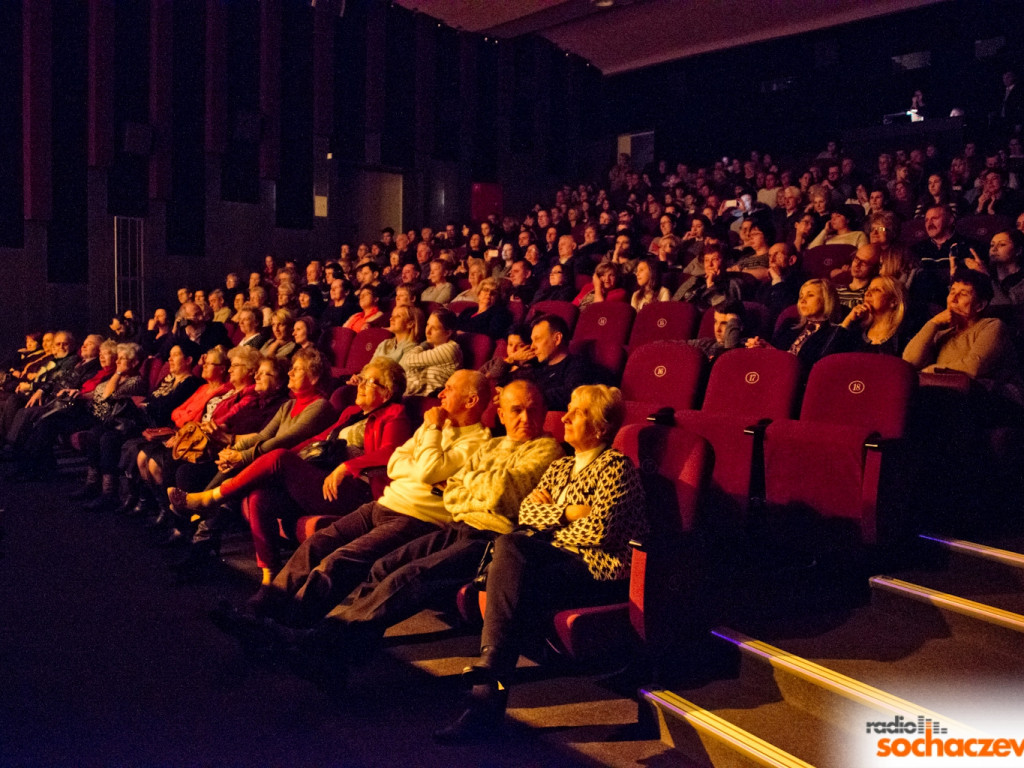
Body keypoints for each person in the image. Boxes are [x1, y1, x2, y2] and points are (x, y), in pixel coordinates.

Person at [217, 380, 564, 696]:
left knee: (405, 576)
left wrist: (462, 485)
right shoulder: (497, 445)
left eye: (533, 410)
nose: (525, 418)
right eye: (516, 410)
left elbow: (495, 492)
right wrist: (463, 486)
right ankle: (328, 657)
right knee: (379, 566)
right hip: (453, 520)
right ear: (501, 413)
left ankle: (306, 641)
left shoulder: (542, 449)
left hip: (487, 534)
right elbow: (421, 474)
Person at [434, 384, 647, 742]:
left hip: (595, 570)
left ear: (599, 427)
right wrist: (567, 513)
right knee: (511, 548)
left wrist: (551, 520)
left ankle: (487, 685)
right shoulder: (561, 466)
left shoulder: (616, 467)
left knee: (511, 558)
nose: (563, 417)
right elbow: (526, 511)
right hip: (558, 562)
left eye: (576, 412)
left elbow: (598, 531)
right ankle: (487, 689)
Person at [208, 369, 492, 620]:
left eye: (450, 388)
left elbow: (427, 470)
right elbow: (396, 463)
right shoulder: (433, 430)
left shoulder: (477, 441)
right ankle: (259, 608)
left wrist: (430, 433)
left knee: (341, 561)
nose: (441, 394)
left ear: (471, 401)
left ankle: (287, 623)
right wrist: (421, 466)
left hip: (417, 518)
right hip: (385, 502)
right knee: (316, 544)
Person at [173, 358, 414, 580]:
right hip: (323, 479)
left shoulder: (396, 414)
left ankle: (211, 498)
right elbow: (317, 441)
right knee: (260, 497)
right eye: (359, 378)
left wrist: (346, 467)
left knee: (278, 456)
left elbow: (391, 454)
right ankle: (270, 576)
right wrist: (289, 458)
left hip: (354, 491)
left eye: (367, 381)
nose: (359, 384)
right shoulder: (351, 413)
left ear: (387, 391)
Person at [903, 269, 1024, 415]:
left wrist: (931, 371)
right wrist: (933, 323)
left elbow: (973, 368)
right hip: (952, 397)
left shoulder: (992, 326)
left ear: (980, 305)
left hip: (995, 400)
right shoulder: (942, 334)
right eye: (952, 291)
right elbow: (910, 361)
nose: (953, 299)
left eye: (963, 294)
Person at [747, 279, 851, 367]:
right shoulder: (789, 324)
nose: (803, 300)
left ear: (826, 300)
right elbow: (774, 352)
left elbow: (818, 364)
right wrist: (763, 347)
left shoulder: (834, 333)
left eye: (810, 295)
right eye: (801, 296)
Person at [500, 315, 591, 411]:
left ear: (557, 339)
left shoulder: (577, 365)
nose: (532, 347)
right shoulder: (537, 367)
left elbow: (573, 393)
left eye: (537, 339)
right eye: (532, 341)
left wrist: (524, 397)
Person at [838, 276, 913, 355]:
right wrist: (847, 321)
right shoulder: (858, 330)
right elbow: (830, 356)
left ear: (893, 301)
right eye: (868, 289)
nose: (867, 293)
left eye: (876, 290)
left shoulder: (904, 335)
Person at [401, 309, 463, 396]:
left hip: (431, 399)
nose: (427, 331)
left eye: (434, 328)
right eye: (427, 325)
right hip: (414, 396)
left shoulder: (450, 349)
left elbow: (408, 360)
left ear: (448, 333)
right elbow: (404, 364)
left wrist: (424, 344)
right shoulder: (432, 348)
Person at [962, 229, 1024, 306]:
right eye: (992, 245)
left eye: (1002, 245)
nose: (994, 249)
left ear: (1018, 250)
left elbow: (1006, 308)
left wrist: (985, 276)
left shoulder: (1021, 280)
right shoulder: (985, 270)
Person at [834, 244, 882, 309]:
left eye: (864, 262)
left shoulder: (869, 295)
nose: (857, 264)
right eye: (856, 259)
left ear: (875, 268)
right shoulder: (836, 288)